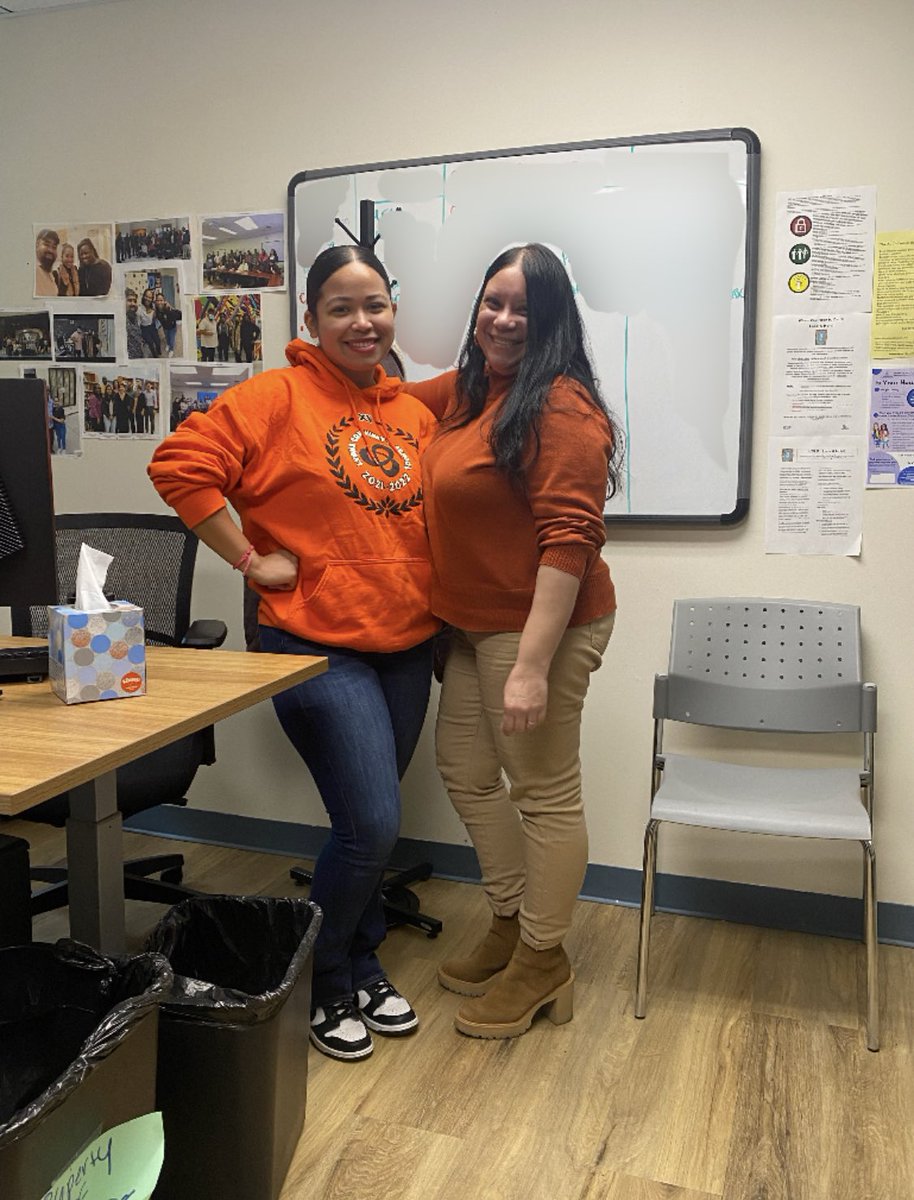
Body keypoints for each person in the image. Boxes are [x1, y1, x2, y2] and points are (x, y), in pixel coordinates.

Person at [149, 245, 440, 1063]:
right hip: (312, 644)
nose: (362, 321)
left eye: (375, 304)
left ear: (393, 313)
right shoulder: (274, 398)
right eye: (341, 307)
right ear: (310, 320)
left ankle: (361, 955)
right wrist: (249, 559)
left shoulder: (412, 413)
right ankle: (323, 977)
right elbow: (178, 466)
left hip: (406, 646)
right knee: (371, 824)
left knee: (371, 828)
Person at [411, 243, 620, 1041]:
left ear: (552, 318)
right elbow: (382, 400)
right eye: (491, 301)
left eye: (522, 308)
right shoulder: (469, 393)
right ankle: (510, 917)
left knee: (543, 794)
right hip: (470, 625)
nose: (501, 320)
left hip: (541, 627)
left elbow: (570, 542)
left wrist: (531, 668)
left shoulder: (560, 407)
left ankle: (544, 957)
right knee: (465, 770)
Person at [154, 292, 182, 358]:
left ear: (164, 301)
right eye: (158, 300)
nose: (159, 302)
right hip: (165, 327)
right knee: (167, 337)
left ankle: (171, 350)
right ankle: (168, 345)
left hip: (172, 328)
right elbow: (158, 318)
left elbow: (179, 315)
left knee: (172, 339)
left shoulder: (168, 308)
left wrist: (170, 310)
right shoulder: (157, 310)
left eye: (161, 300)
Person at [34, 229, 60, 296]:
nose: (50, 250)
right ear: (37, 245)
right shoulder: (33, 271)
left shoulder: (50, 274)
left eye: (54, 247)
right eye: (46, 244)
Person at [138, 288, 161, 358]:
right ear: (144, 296)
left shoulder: (153, 306)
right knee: (150, 342)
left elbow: (155, 315)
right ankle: (155, 356)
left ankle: (159, 351)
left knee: (157, 341)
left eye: (150, 297)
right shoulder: (139, 309)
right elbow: (138, 324)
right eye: (147, 296)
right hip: (144, 328)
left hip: (152, 326)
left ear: (152, 299)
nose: (148, 299)